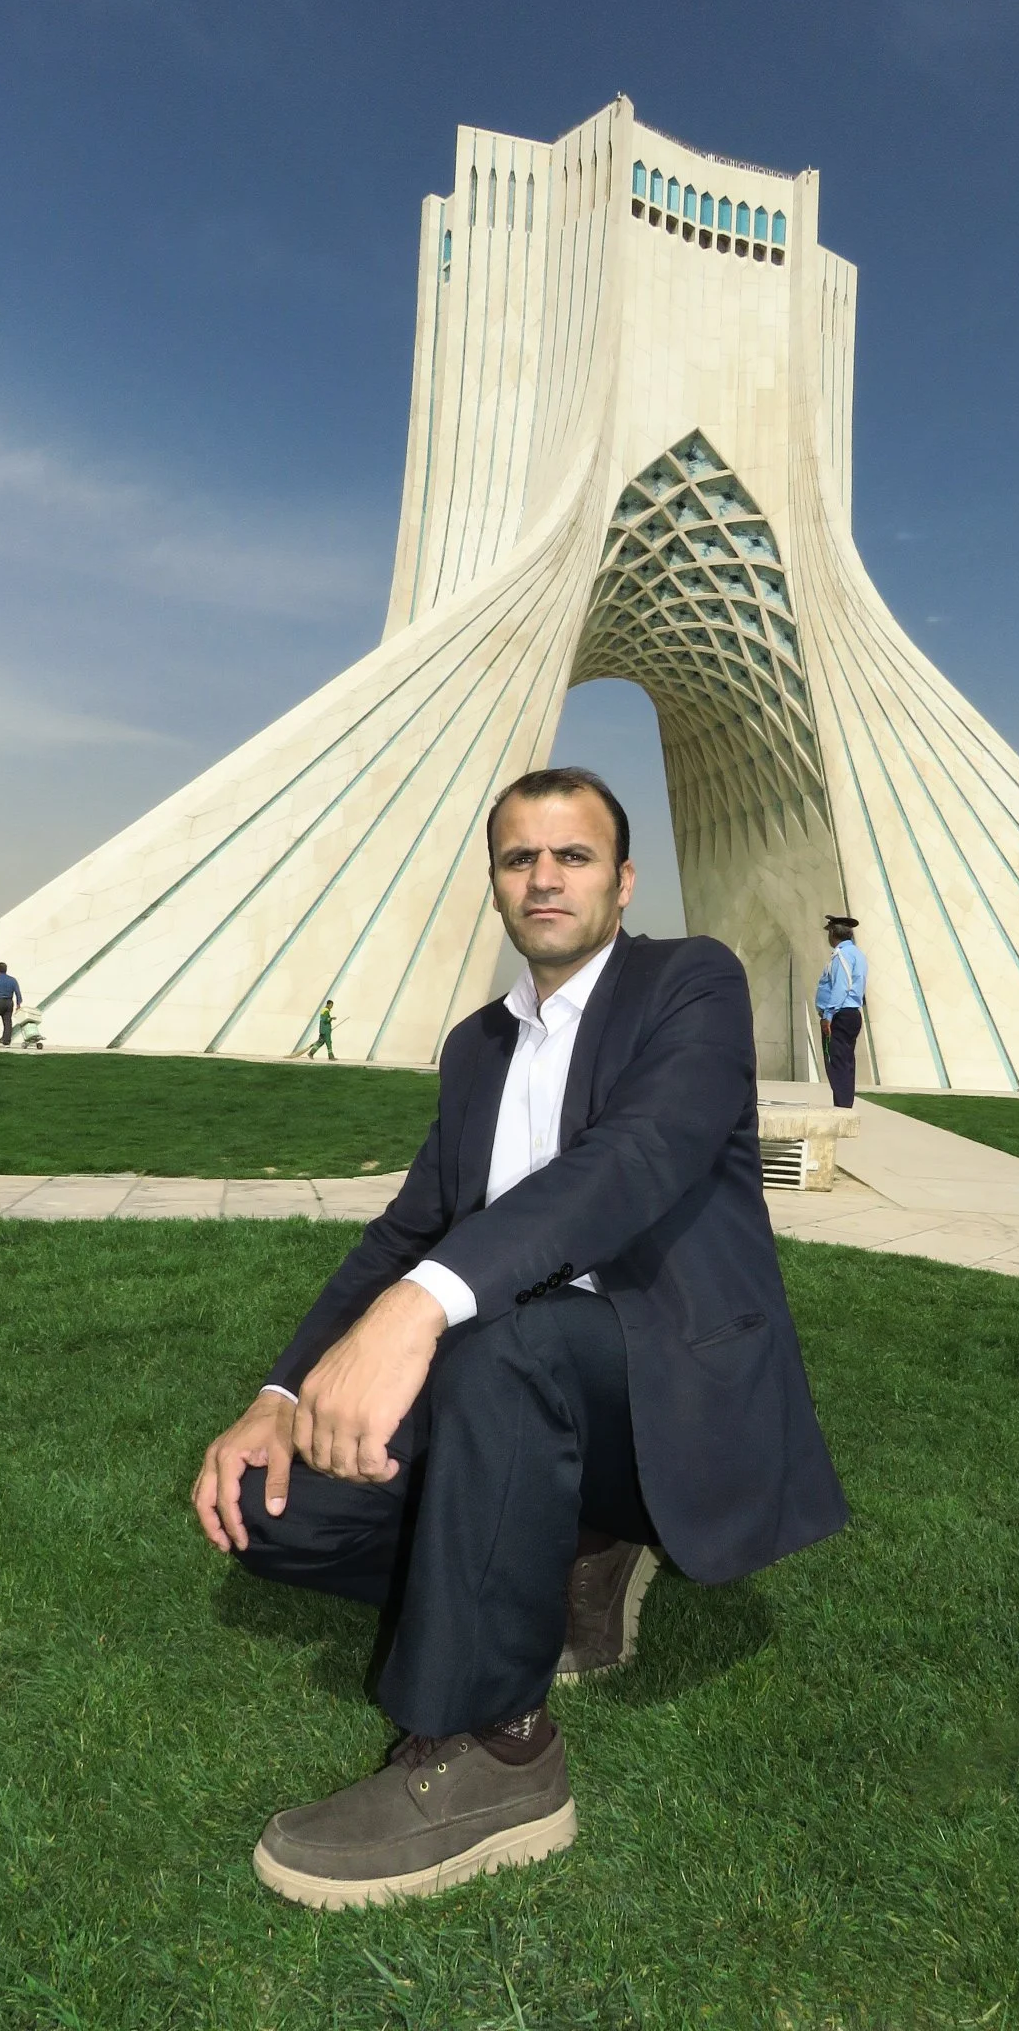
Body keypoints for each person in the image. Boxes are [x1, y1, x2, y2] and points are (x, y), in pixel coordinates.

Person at [194, 766, 848, 1911]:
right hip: (512, 1395)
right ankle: (555, 1558)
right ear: (497, 884)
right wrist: (281, 1392)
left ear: (622, 877)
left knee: (511, 1345)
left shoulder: (689, 985)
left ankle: (496, 1748)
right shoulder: (478, 1044)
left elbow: (633, 1160)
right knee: (269, 1506)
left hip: (659, 1382)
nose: (544, 876)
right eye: (518, 857)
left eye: (574, 854)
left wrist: (420, 1308)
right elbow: (409, 1225)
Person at [815, 915, 867, 1109]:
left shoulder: (842, 955)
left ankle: (842, 1106)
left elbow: (841, 986)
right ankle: (845, 1103)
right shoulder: (858, 954)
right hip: (852, 1013)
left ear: (834, 933)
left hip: (840, 1014)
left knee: (836, 1060)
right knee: (845, 1059)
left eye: (829, 932)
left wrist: (828, 1015)